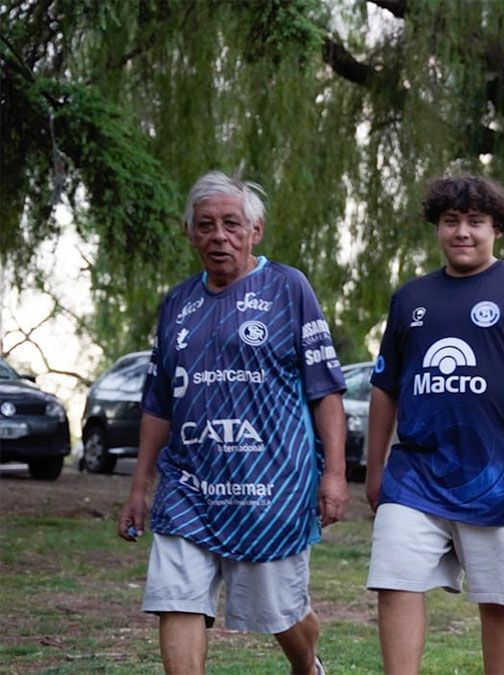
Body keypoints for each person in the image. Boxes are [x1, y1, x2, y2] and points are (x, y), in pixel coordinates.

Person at [117, 171, 349, 675]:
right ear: (189, 233)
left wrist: (333, 474)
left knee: (280, 610)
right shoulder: (177, 303)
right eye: (205, 226)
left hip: (272, 484)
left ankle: (307, 666)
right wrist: (140, 487)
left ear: (255, 231)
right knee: (176, 598)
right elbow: (159, 402)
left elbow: (325, 390)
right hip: (188, 483)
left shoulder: (288, 288)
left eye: (230, 224)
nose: (218, 236)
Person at [365, 175, 504, 674]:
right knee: (395, 581)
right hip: (415, 473)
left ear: (497, 229)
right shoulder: (410, 297)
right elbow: (385, 388)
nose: (462, 232)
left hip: (500, 475)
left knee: (500, 600)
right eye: (451, 221)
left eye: (475, 221)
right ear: (437, 228)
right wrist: (375, 467)